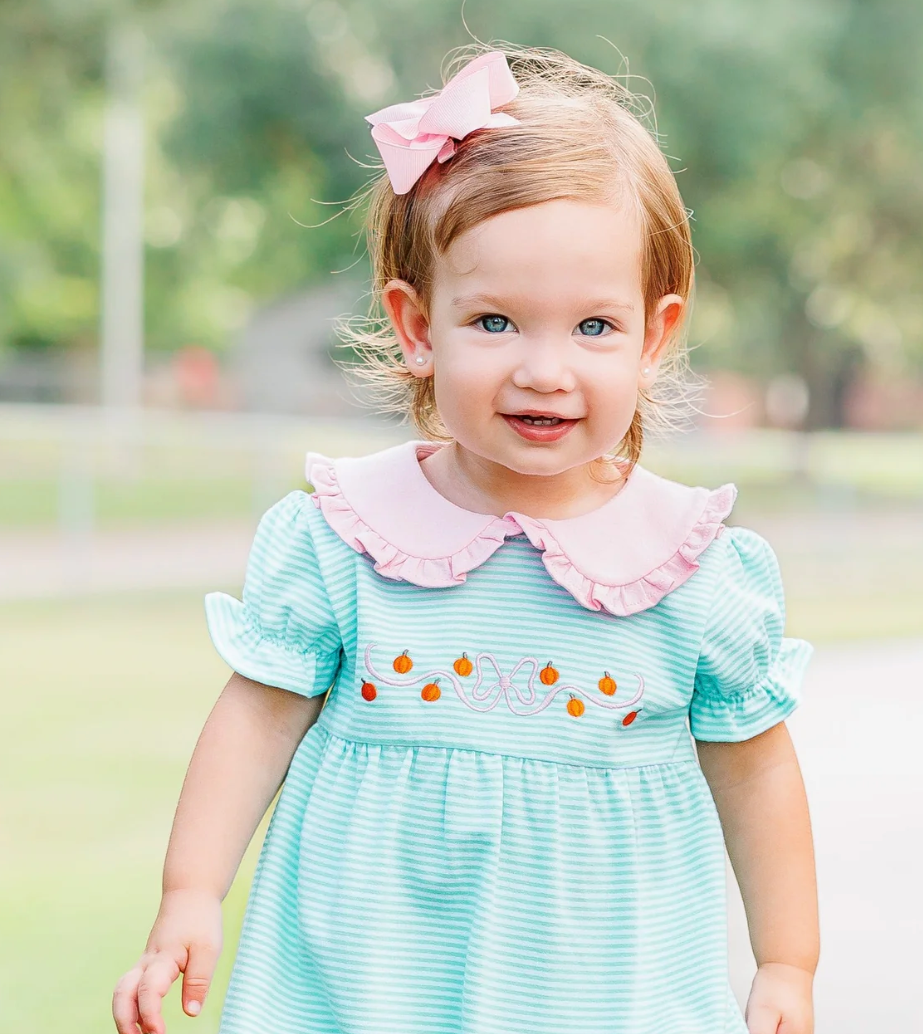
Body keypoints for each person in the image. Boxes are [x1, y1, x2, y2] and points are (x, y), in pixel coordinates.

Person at [112, 45, 819, 1034]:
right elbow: (257, 718)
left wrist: (786, 958)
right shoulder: (347, 537)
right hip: (364, 977)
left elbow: (753, 768)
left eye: (592, 327)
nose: (543, 368)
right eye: (493, 320)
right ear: (416, 326)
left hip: (605, 985)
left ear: (654, 336)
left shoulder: (688, 566)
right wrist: (191, 891)